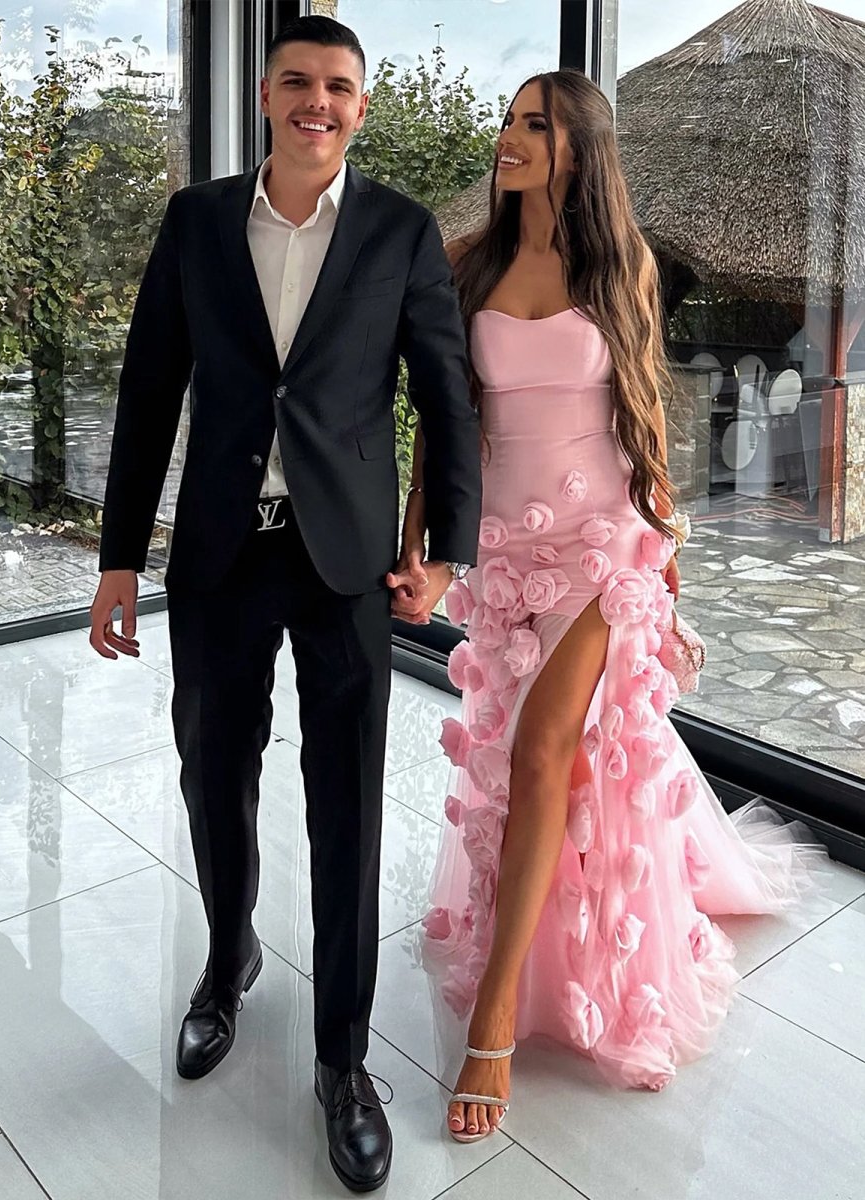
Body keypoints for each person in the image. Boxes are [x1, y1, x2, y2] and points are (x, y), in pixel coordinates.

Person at [89, 15, 481, 1192]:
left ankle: (344, 1060)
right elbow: (149, 386)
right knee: (214, 772)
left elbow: (446, 397)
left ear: (361, 105)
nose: (320, 102)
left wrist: (448, 553)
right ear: (266, 94)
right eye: (299, 81)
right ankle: (228, 962)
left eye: (340, 87)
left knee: (345, 800)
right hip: (220, 551)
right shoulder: (197, 221)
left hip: (344, 559)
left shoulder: (402, 230)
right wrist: (119, 555)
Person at [394, 69, 820, 1142]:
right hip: (505, 545)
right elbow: (444, 421)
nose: (510, 136)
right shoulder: (467, 263)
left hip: (602, 541)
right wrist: (423, 546)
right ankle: (554, 937)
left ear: (579, 147)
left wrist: (664, 549)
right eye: (509, 120)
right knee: (533, 763)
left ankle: (495, 1019)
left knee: (543, 748)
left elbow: (642, 407)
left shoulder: (620, 262)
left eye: (535, 124)